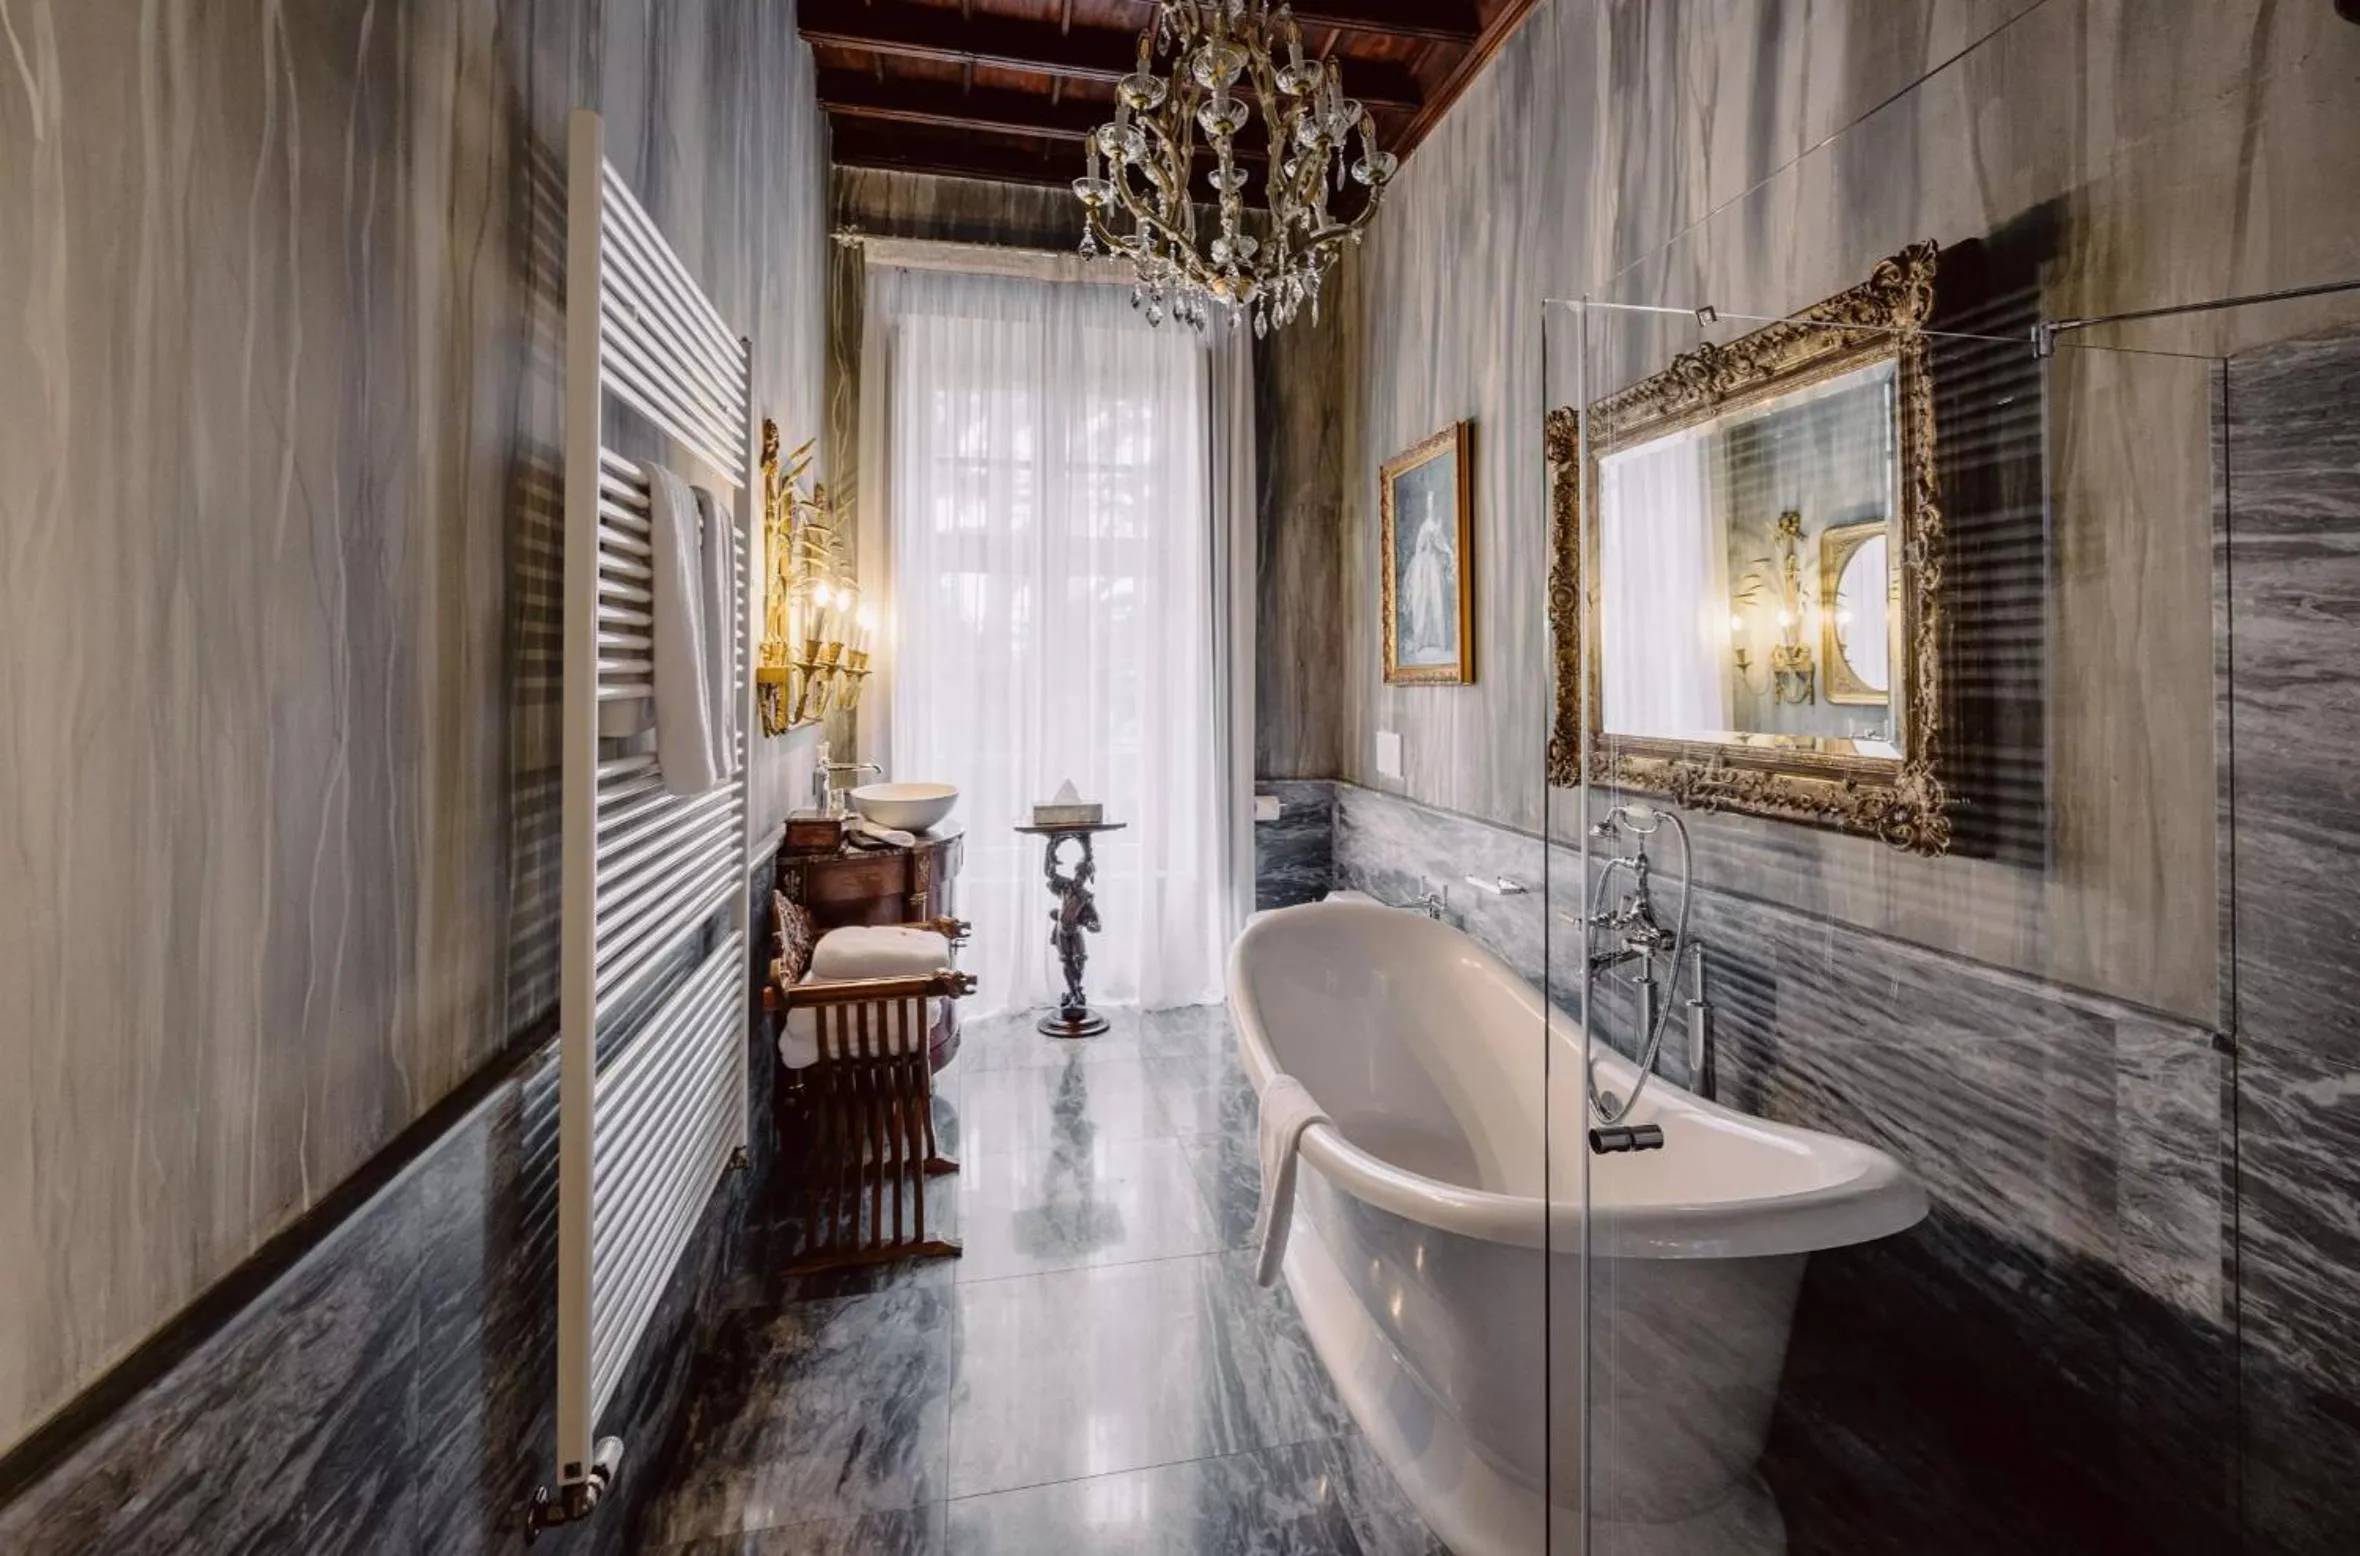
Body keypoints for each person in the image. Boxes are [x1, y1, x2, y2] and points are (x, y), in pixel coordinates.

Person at [1400, 486, 1455, 661]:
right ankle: (1423, 640)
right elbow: (1427, 545)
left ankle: (1438, 640)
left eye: (1433, 503)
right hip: (1426, 569)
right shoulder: (1427, 526)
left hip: (1431, 567)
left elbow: (1440, 543)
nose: (1431, 507)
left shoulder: (1433, 526)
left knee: (1435, 600)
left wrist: (1448, 552)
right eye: (1429, 503)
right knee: (1425, 601)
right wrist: (1443, 550)